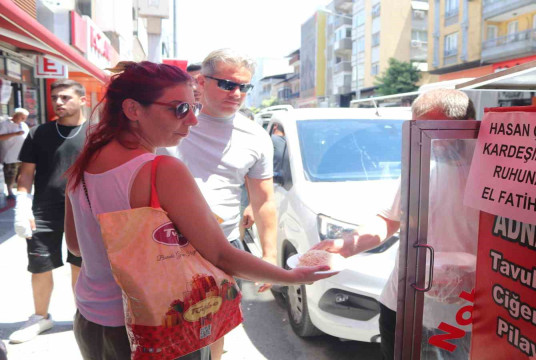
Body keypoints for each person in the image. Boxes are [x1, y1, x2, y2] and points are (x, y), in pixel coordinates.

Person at [63, 61, 334, 360]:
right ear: (132, 109)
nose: (192, 120)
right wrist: (293, 276)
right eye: (180, 109)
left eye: (194, 107)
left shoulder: (85, 161)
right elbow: (220, 255)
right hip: (155, 328)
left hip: (91, 320)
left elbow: (75, 245)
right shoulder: (159, 170)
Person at [312, 89, 478, 360]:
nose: (430, 141)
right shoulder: (424, 163)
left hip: (458, 315)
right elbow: (389, 220)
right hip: (401, 304)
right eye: (418, 130)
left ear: (469, 124)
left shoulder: (495, 173)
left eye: (436, 130)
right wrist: (343, 246)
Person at [163, 49, 277, 292]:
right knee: (166, 324)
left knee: (217, 325)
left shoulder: (256, 136)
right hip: (164, 245)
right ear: (201, 82)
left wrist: (270, 255)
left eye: (244, 87)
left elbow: (264, 199)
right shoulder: (168, 121)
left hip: (224, 245)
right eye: (227, 84)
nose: (236, 94)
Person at [9, 80, 87, 344]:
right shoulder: (39, 133)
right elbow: (26, 172)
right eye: (55, 97)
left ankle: (83, 316)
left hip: (84, 210)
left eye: (65, 97)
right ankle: (40, 317)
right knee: (39, 264)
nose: (58, 102)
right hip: (44, 208)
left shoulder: (97, 133)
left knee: (81, 265)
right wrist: (22, 204)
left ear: (82, 100)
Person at [0, 108, 29, 200]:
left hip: (23, 155)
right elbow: (1, 137)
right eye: (22, 117)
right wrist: (15, 134)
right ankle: (10, 191)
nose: (24, 120)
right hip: (10, 156)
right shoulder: (5, 124)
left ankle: (21, 191)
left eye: (25, 118)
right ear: (15, 116)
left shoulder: (23, 125)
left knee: (22, 174)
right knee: (10, 174)